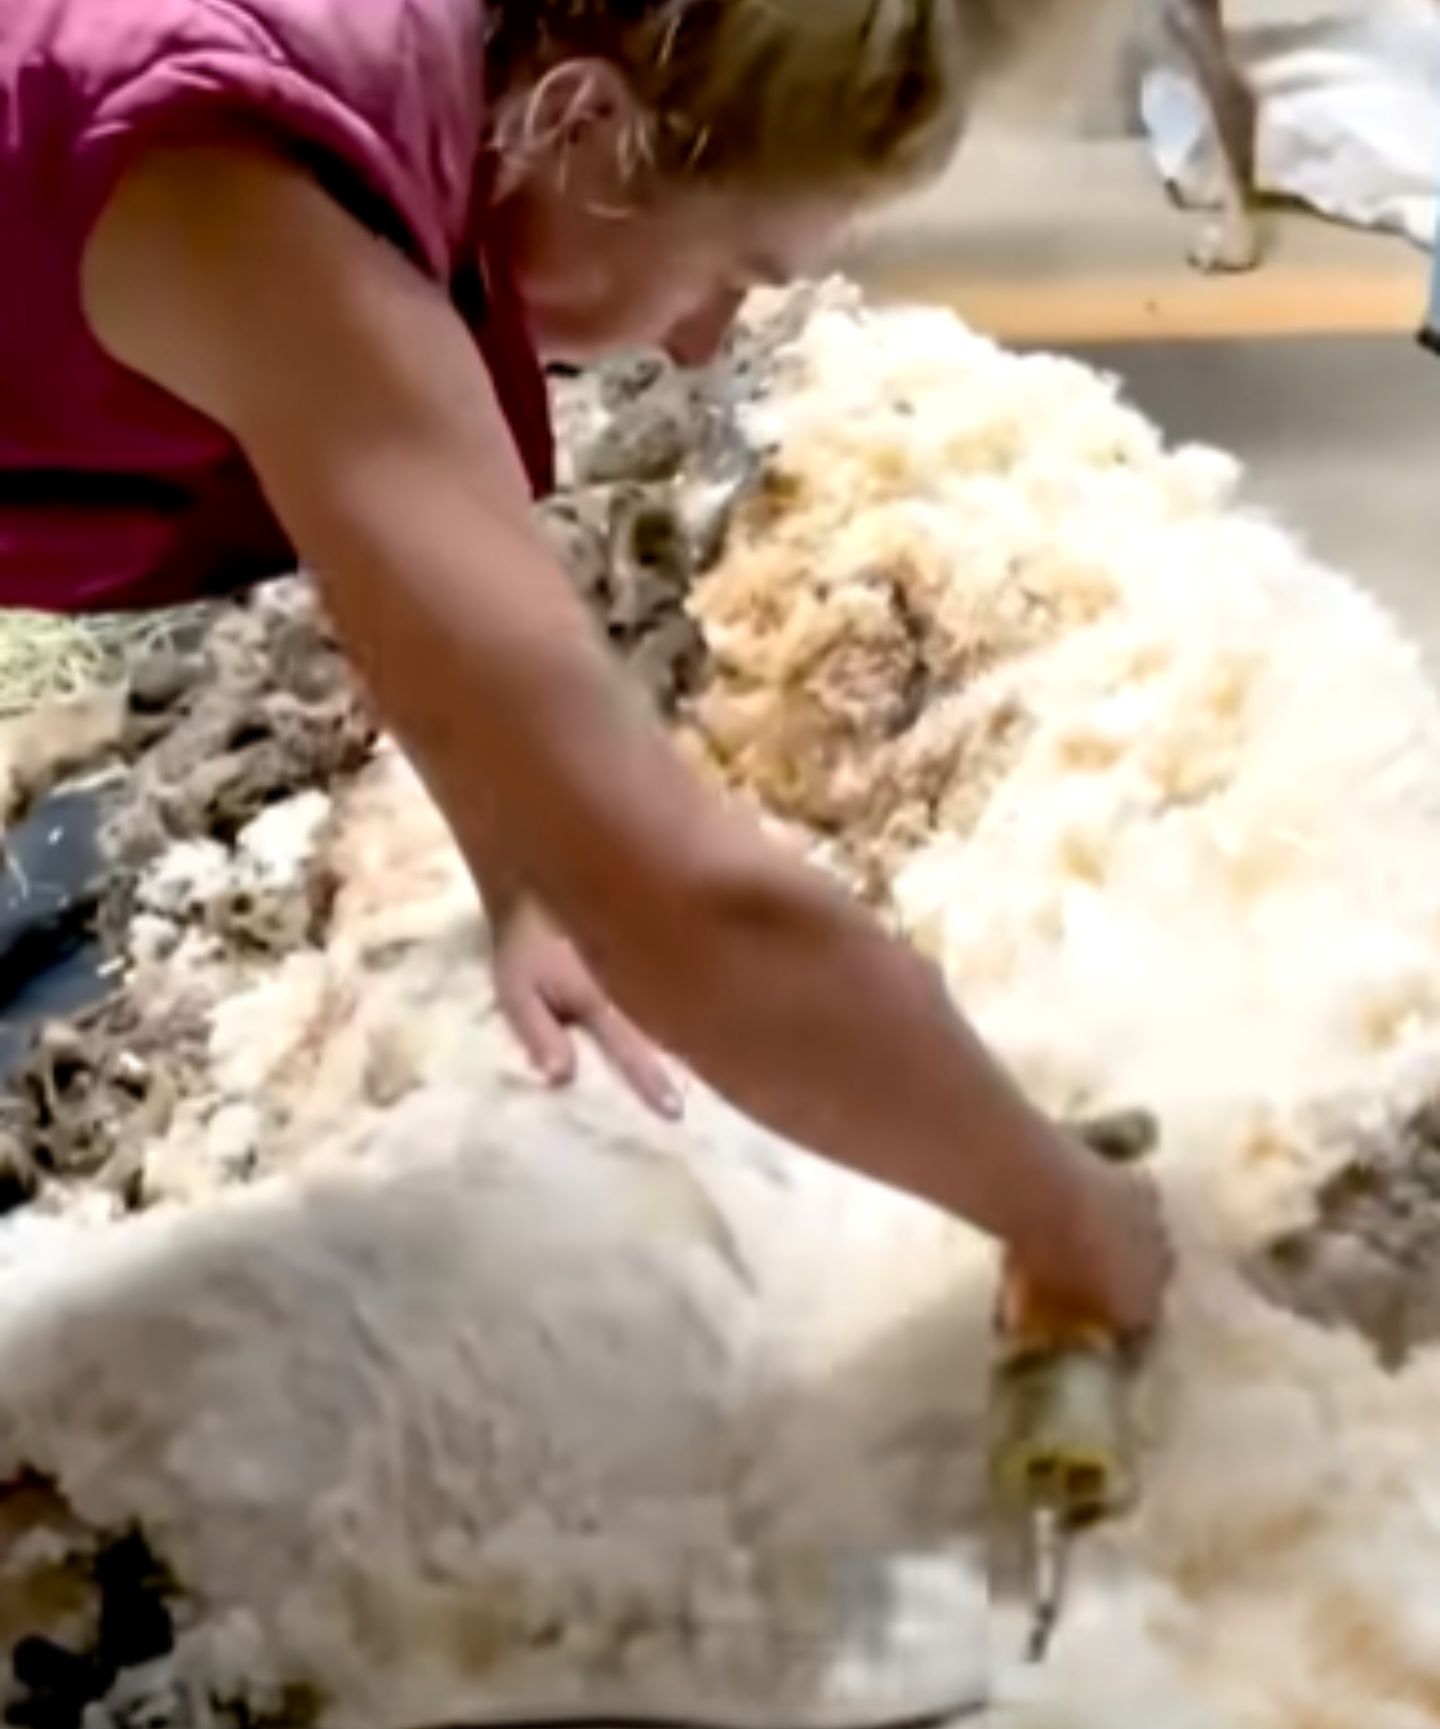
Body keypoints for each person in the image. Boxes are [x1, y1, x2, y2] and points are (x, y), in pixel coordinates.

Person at [0, 0, 1170, 1332]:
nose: (704, 337)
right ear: (593, 130)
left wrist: (523, 855)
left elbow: (402, 562)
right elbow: (699, 911)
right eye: (731, 263)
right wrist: (1066, 1214)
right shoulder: (250, 180)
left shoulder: (377, 90)